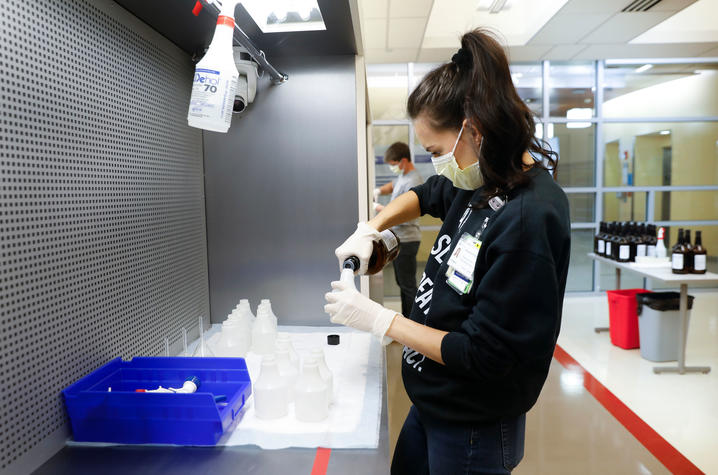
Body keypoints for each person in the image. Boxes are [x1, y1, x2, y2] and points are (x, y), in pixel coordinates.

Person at [325, 28, 570, 474]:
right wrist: (372, 227)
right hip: (435, 400)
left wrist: (385, 321)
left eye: (436, 150)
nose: (436, 163)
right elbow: (430, 191)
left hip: (474, 419)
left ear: (472, 130)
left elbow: (484, 354)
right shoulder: (480, 176)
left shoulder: (527, 219)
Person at [374, 142, 423, 316]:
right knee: (402, 282)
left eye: (393, 165)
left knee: (408, 285)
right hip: (400, 238)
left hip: (408, 239)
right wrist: (378, 190)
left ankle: (413, 322)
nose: (392, 168)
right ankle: (407, 318)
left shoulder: (413, 180)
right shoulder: (404, 175)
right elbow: (393, 185)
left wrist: (380, 209)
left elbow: (405, 213)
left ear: (403, 160)